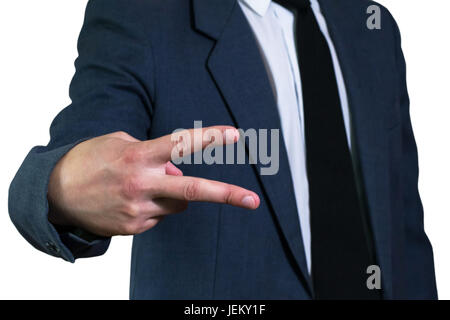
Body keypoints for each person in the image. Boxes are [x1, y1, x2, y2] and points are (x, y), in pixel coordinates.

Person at [8, 0, 437, 299]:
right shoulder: (139, 12)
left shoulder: (372, 25)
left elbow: (403, 226)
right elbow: (71, 159)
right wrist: (63, 189)